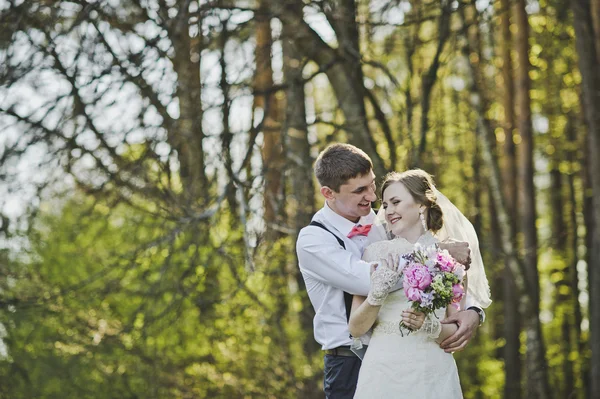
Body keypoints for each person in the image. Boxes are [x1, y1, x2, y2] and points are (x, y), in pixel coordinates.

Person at [296, 144, 479, 399]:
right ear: (329, 193)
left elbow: (445, 285)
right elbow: (369, 278)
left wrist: (474, 312)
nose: (372, 197)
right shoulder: (313, 240)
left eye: (371, 185)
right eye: (360, 190)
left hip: (415, 355)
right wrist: (438, 251)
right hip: (349, 361)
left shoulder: (385, 222)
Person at [349, 169, 492, 398]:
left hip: (431, 371)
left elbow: (455, 330)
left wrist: (429, 326)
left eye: (396, 202)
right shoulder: (372, 255)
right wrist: (376, 295)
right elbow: (355, 328)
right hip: (382, 370)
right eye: (385, 205)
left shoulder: (451, 259)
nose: (389, 211)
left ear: (421, 205)